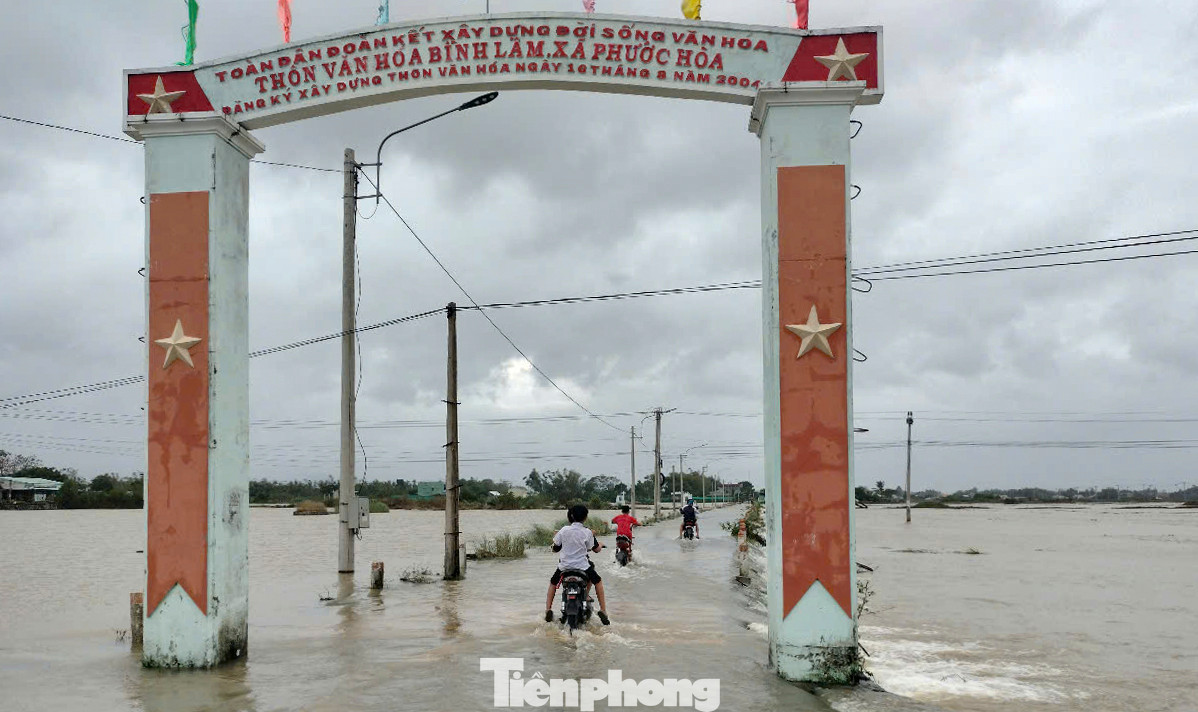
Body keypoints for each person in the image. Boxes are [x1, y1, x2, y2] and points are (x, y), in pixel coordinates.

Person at [544, 504, 610, 625]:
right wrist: (599, 544)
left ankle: (548, 609)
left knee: (553, 583)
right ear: (585, 517)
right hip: (582, 567)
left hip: (564, 567)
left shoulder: (564, 530)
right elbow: (594, 549)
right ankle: (603, 610)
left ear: (571, 516)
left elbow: (555, 548)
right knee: (598, 581)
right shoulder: (587, 532)